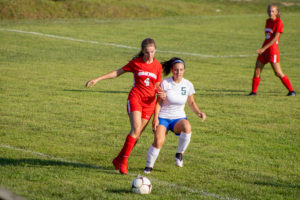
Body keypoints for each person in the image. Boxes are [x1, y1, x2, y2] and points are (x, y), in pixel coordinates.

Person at [86, 38, 165, 174]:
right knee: (136, 128)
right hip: (136, 98)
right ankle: (123, 163)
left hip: (149, 103)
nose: (149, 55)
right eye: (147, 52)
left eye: (152, 52)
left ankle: (118, 159)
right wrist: (97, 79)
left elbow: (157, 85)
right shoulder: (136, 63)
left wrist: (160, 93)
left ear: (155, 51)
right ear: (142, 51)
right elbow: (117, 72)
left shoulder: (158, 66)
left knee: (137, 134)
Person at [143, 57, 206, 174]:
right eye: (176, 70)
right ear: (172, 70)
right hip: (163, 117)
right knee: (158, 141)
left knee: (187, 127)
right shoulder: (165, 83)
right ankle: (149, 166)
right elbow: (159, 102)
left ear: (184, 70)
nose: (178, 72)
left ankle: (179, 154)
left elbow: (191, 102)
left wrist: (199, 112)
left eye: (181, 70)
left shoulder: (188, 84)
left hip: (178, 118)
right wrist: (155, 119)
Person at [249, 3, 296, 96]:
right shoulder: (267, 21)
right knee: (257, 70)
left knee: (278, 73)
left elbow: (275, 39)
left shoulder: (279, 23)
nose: (271, 13)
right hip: (264, 50)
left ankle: (291, 91)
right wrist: (263, 49)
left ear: (277, 12)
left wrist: (263, 48)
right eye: (269, 11)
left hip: (272, 51)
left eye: (273, 11)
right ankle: (253, 92)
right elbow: (267, 37)